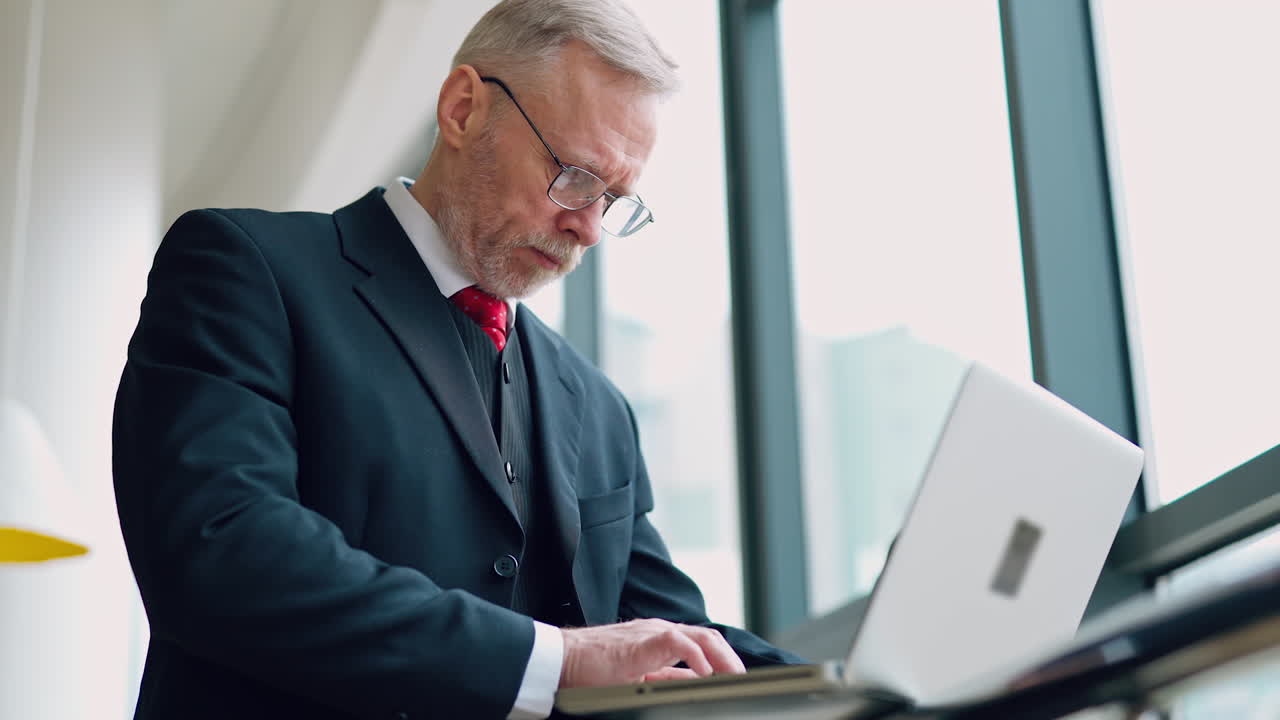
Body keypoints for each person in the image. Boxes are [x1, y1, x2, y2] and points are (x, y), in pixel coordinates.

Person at [112, 1, 803, 718]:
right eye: (574, 176)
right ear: (464, 108)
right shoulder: (248, 269)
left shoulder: (598, 407)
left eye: (616, 201)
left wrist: (863, 686)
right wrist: (558, 662)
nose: (590, 229)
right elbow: (223, 554)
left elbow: (680, 645)